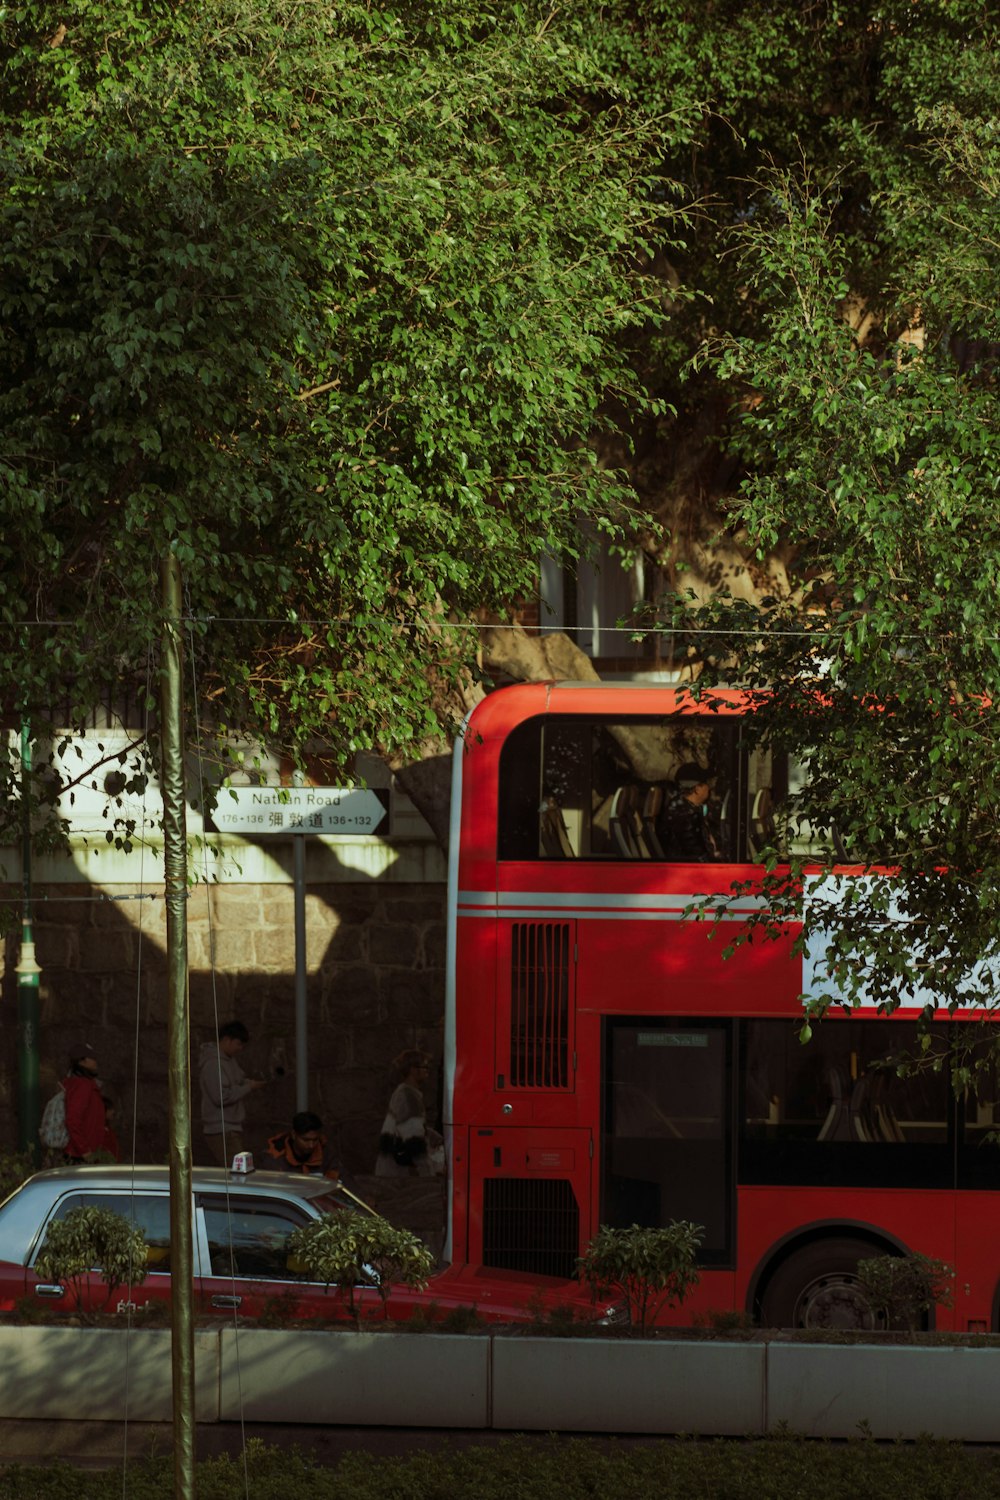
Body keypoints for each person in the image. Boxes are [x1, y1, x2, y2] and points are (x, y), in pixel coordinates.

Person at [198, 1020, 267, 1167]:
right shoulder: (212, 1064)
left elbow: (239, 1080)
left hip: (230, 1127)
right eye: (238, 1044)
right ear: (226, 1040)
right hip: (221, 1129)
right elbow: (220, 1097)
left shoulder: (229, 1061)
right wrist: (249, 1088)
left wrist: (249, 1083)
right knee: (237, 1171)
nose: (240, 1048)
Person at [375, 1050, 445, 1178]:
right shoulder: (409, 1097)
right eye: (424, 1067)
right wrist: (428, 1174)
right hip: (398, 1173)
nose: (427, 1071)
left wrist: (431, 1134)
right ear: (413, 1070)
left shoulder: (403, 1092)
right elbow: (414, 1140)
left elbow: (406, 1126)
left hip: (390, 1169)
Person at [659, 762, 719, 862]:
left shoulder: (685, 809)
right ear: (697, 789)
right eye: (706, 783)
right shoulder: (685, 817)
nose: (709, 788)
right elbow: (697, 856)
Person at [265, 1111, 340, 1179]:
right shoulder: (274, 1156)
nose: (311, 1145)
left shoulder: (327, 1154)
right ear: (294, 1135)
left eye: (315, 1140)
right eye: (306, 1140)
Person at [63, 1045, 106, 1163]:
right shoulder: (83, 1086)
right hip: (81, 1155)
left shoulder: (80, 1084)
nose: (96, 1062)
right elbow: (73, 1120)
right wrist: (85, 1151)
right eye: (92, 1058)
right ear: (82, 1061)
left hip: (83, 1152)